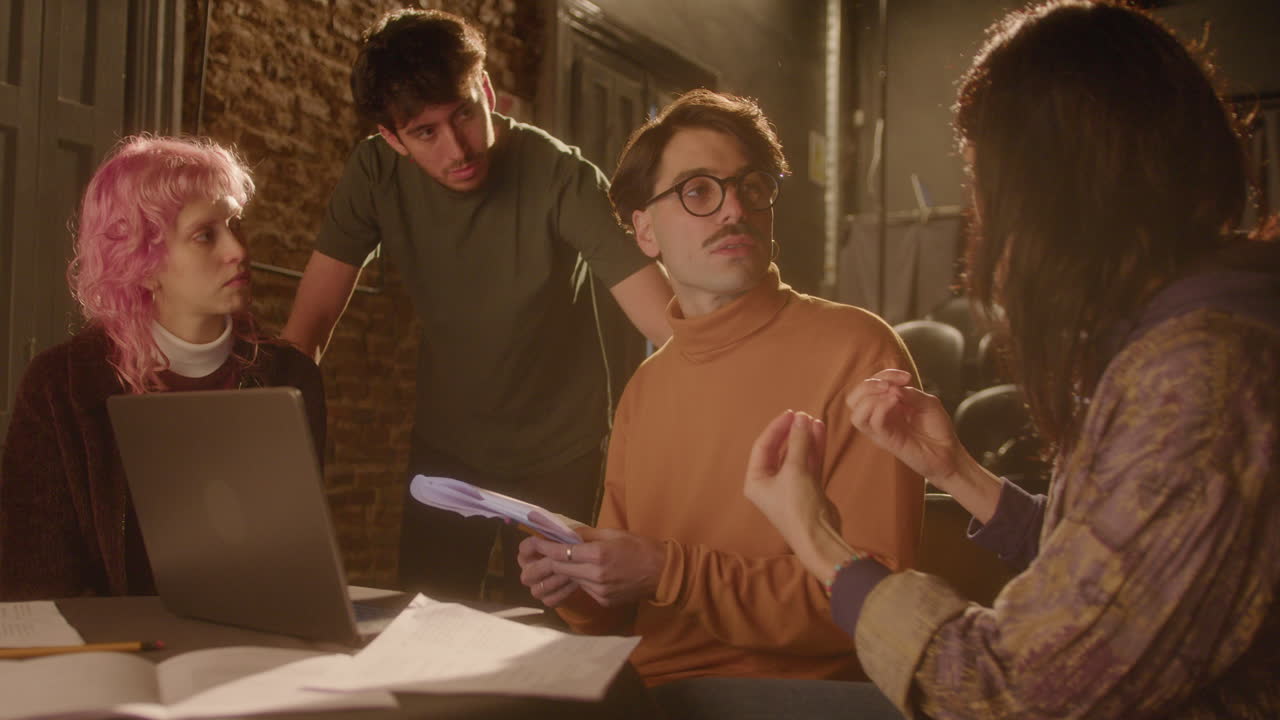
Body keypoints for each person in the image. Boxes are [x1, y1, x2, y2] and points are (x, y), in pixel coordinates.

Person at [743, 2, 1280, 718]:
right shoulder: (1190, 333)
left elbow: (1014, 690)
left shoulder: (1203, 378)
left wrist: (816, 539)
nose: (981, 214)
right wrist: (954, 471)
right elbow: (1113, 579)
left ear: (1054, 189)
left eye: (982, 180)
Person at [516, 90, 924, 694]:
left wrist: (669, 569)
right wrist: (579, 586)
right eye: (699, 191)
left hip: (800, 692)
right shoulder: (646, 388)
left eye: (751, 188)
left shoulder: (857, 349)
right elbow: (624, 610)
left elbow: (877, 606)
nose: (733, 208)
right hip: (650, 689)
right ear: (645, 232)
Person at [280, 9, 673, 602]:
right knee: (424, 626)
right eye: (426, 132)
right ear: (392, 139)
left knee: (546, 637)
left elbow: (669, 325)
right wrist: (279, 448)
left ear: (486, 90)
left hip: (560, 449)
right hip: (447, 449)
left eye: (464, 111)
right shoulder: (374, 173)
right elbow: (308, 327)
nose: (459, 147)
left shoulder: (561, 176)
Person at [0, 135, 325, 601]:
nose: (237, 249)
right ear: (142, 264)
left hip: (248, 651)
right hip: (105, 655)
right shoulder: (61, 385)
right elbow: (33, 583)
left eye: (235, 224)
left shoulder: (290, 378)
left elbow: (296, 566)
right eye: (205, 234)